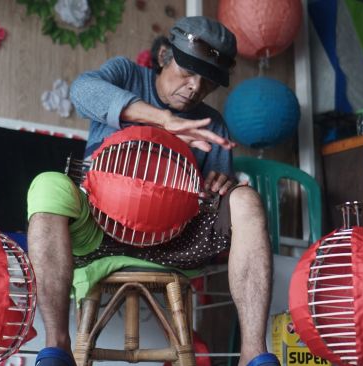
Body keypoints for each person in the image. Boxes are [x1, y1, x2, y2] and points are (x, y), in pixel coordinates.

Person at [27, 16, 278, 366]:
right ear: (163, 56)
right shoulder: (126, 75)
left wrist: (221, 185)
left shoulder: (211, 123)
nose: (194, 87)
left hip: (174, 242)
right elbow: (82, 91)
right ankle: (56, 348)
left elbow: (217, 190)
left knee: (245, 198)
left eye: (206, 83)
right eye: (188, 72)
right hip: (99, 231)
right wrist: (164, 121)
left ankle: (254, 352)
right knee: (47, 185)